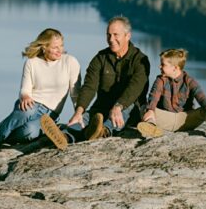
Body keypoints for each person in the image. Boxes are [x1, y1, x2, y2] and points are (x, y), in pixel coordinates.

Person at [0, 28, 81, 152]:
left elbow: (75, 94)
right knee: (29, 111)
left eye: (61, 46)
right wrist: (25, 96)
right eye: (55, 47)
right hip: (31, 104)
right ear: (44, 47)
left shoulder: (70, 62)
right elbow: (25, 90)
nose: (60, 50)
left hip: (51, 114)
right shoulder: (32, 62)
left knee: (30, 132)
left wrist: (78, 114)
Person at [40, 15, 150, 149]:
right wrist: (79, 111)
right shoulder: (100, 58)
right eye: (108, 35)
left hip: (127, 108)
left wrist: (118, 106)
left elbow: (135, 88)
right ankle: (64, 136)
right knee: (85, 118)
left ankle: (103, 132)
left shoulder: (140, 60)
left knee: (123, 111)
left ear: (127, 36)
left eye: (116, 35)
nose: (111, 39)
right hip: (102, 108)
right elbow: (89, 87)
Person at [138, 48, 206, 138]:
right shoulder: (160, 80)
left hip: (185, 120)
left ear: (175, 68)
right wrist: (150, 110)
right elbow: (153, 96)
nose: (160, 66)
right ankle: (152, 127)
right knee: (145, 107)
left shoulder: (189, 81)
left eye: (163, 64)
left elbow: (202, 98)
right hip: (166, 118)